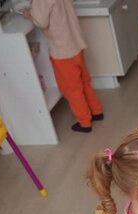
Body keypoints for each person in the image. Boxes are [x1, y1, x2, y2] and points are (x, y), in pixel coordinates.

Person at [22, 0, 103, 133]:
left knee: (72, 89)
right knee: (84, 81)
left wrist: (28, 14)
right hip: (76, 44)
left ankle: (84, 122)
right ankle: (96, 111)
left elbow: (40, 22)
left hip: (62, 51)